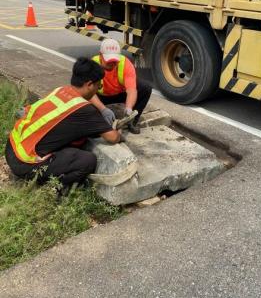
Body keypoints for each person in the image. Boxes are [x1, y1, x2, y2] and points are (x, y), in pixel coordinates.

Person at [5, 57, 121, 190]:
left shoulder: (60, 90)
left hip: (12, 147)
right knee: (87, 160)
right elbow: (113, 138)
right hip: (24, 163)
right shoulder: (84, 109)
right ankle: (57, 188)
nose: (98, 89)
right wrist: (119, 131)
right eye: (98, 85)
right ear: (89, 84)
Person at [90, 38, 152, 134]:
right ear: (100, 55)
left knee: (145, 88)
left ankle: (132, 121)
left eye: (115, 61)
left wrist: (129, 108)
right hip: (101, 96)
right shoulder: (93, 64)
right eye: (109, 61)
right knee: (81, 96)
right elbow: (88, 92)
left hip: (120, 94)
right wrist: (103, 109)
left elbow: (132, 90)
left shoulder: (125, 63)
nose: (112, 64)